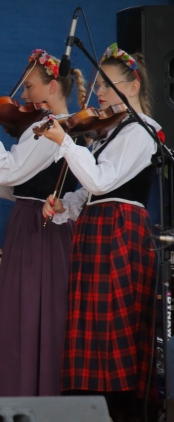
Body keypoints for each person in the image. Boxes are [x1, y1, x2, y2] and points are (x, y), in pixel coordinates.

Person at [41, 43, 163, 420]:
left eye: (108, 85)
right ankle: (92, 406)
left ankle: (120, 409)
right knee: (92, 328)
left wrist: (66, 143)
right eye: (98, 86)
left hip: (119, 234)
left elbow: (101, 181)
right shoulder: (112, 132)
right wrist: (66, 205)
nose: (100, 93)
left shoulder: (143, 131)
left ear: (133, 87)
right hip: (98, 231)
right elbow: (92, 192)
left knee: (114, 327)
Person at [0, 49, 86, 396]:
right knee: (21, 315)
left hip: (43, 230)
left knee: (36, 314)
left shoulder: (53, 129)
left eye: (29, 87)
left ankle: (39, 396)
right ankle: (27, 391)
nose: (23, 96)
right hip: (28, 223)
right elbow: (20, 188)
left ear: (52, 86)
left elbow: (7, 171)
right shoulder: (41, 127)